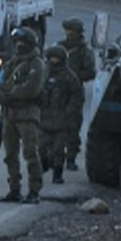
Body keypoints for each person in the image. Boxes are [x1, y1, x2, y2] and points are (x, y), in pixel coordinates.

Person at [0, 25, 46, 204]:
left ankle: (34, 190)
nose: (19, 46)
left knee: (30, 154)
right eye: (17, 43)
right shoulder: (11, 63)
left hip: (27, 114)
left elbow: (31, 89)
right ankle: (14, 189)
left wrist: (9, 93)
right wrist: (3, 93)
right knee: (10, 155)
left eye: (22, 42)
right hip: (9, 115)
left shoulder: (36, 63)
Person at [38, 44, 82, 184]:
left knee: (58, 149)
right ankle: (44, 164)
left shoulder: (69, 76)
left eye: (56, 59)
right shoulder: (42, 73)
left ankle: (57, 173)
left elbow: (76, 97)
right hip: (43, 118)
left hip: (61, 119)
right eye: (52, 58)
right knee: (41, 147)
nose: (54, 61)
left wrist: (69, 112)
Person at [60, 16, 96, 171]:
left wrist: (74, 77)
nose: (69, 34)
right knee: (53, 125)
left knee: (72, 126)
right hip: (57, 92)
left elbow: (91, 72)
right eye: (68, 31)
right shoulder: (60, 48)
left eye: (72, 31)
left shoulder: (83, 51)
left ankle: (71, 158)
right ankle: (55, 157)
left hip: (74, 93)